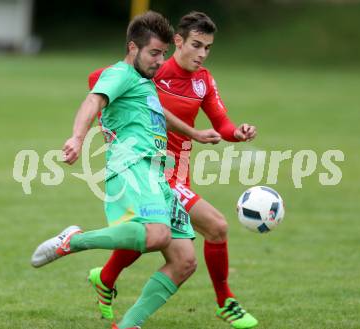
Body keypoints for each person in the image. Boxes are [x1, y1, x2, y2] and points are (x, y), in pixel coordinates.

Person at [30, 11, 217, 329]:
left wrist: (195, 133)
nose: (160, 61)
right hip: (133, 165)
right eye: (154, 53)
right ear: (133, 48)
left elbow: (157, 111)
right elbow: (92, 101)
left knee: (184, 261)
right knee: (157, 234)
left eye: (163, 54)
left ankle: (128, 325)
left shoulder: (144, 83)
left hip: (158, 176)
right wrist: (77, 136)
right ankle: (72, 241)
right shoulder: (120, 75)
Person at [87, 11, 258, 329]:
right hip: (153, 171)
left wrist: (238, 132)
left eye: (208, 47)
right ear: (178, 41)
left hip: (181, 175)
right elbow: (99, 78)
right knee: (216, 226)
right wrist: (106, 119)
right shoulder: (153, 67)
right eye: (196, 45)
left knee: (155, 238)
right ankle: (225, 302)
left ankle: (105, 277)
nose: (202, 54)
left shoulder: (204, 80)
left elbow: (222, 124)